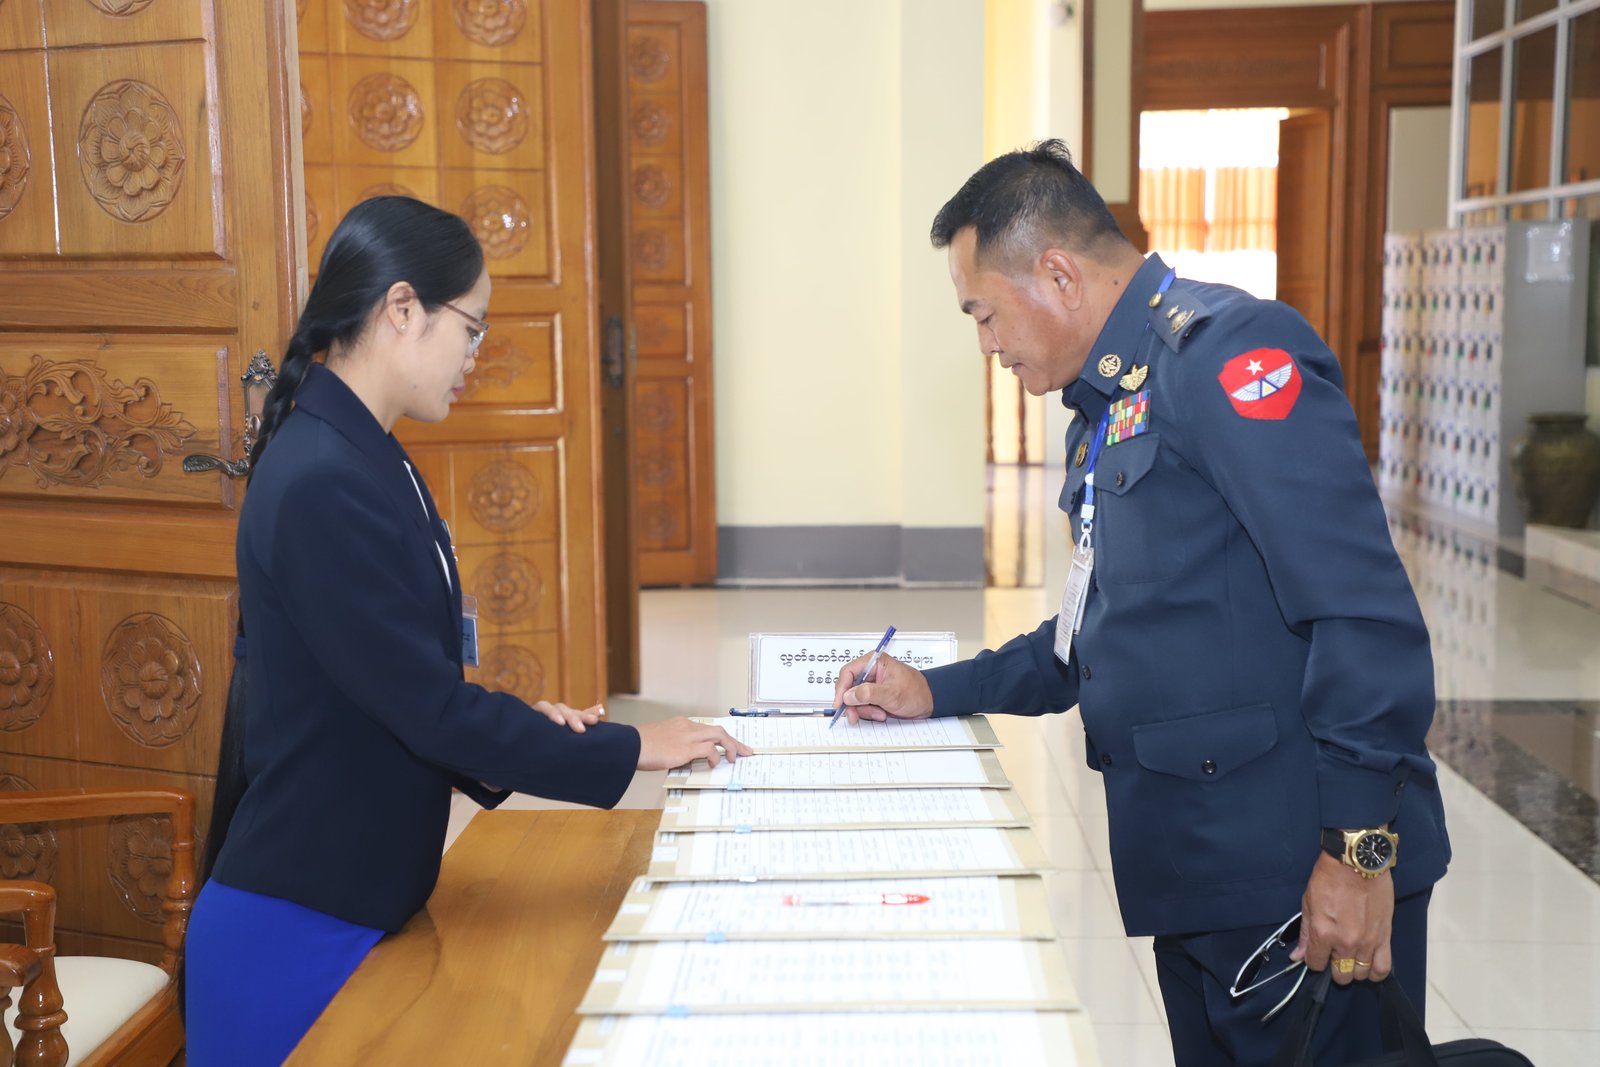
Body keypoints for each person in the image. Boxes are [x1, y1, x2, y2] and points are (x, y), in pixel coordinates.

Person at [832, 142, 1450, 1066]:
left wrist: (1358, 852)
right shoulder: (1109, 404)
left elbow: (1362, 612)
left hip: (1295, 876)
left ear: (1059, 274)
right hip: (1201, 871)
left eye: (984, 314)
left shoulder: (1226, 357)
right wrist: (938, 687)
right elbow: (1093, 631)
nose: (986, 345)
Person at [184, 196, 750, 1067]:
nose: (475, 356)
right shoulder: (322, 478)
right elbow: (430, 710)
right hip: (294, 924)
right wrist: (634, 745)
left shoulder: (366, 452)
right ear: (401, 308)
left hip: (356, 898)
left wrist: (520, 739)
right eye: (471, 328)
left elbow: (398, 692)